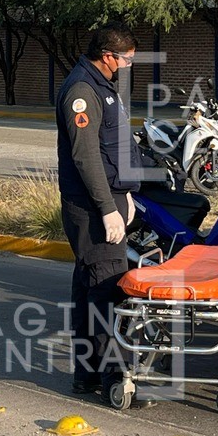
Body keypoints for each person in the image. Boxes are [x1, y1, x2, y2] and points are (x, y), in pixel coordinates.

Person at [56, 22, 143, 400]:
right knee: (109, 290)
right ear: (108, 56)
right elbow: (86, 156)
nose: (128, 66)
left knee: (89, 289)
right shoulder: (82, 91)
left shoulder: (101, 85)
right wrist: (109, 208)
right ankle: (115, 379)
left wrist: (124, 195)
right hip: (91, 209)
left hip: (105, 200)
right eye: (126, 60)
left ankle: (87, 375)